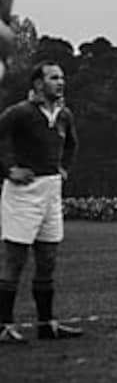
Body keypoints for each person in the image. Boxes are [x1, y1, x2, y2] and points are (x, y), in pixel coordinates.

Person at [0, 62, 82, 343]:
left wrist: (64, 168)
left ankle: (46, 324)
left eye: (62, 77)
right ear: (37, 84)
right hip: (23, 194)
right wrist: (8, 169)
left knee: (48, 259)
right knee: (15, 260)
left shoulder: (64, 115)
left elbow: (72, 144)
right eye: (54, 78)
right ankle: (4, 325)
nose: (61, 82)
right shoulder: (20, 112)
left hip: (51, 191)